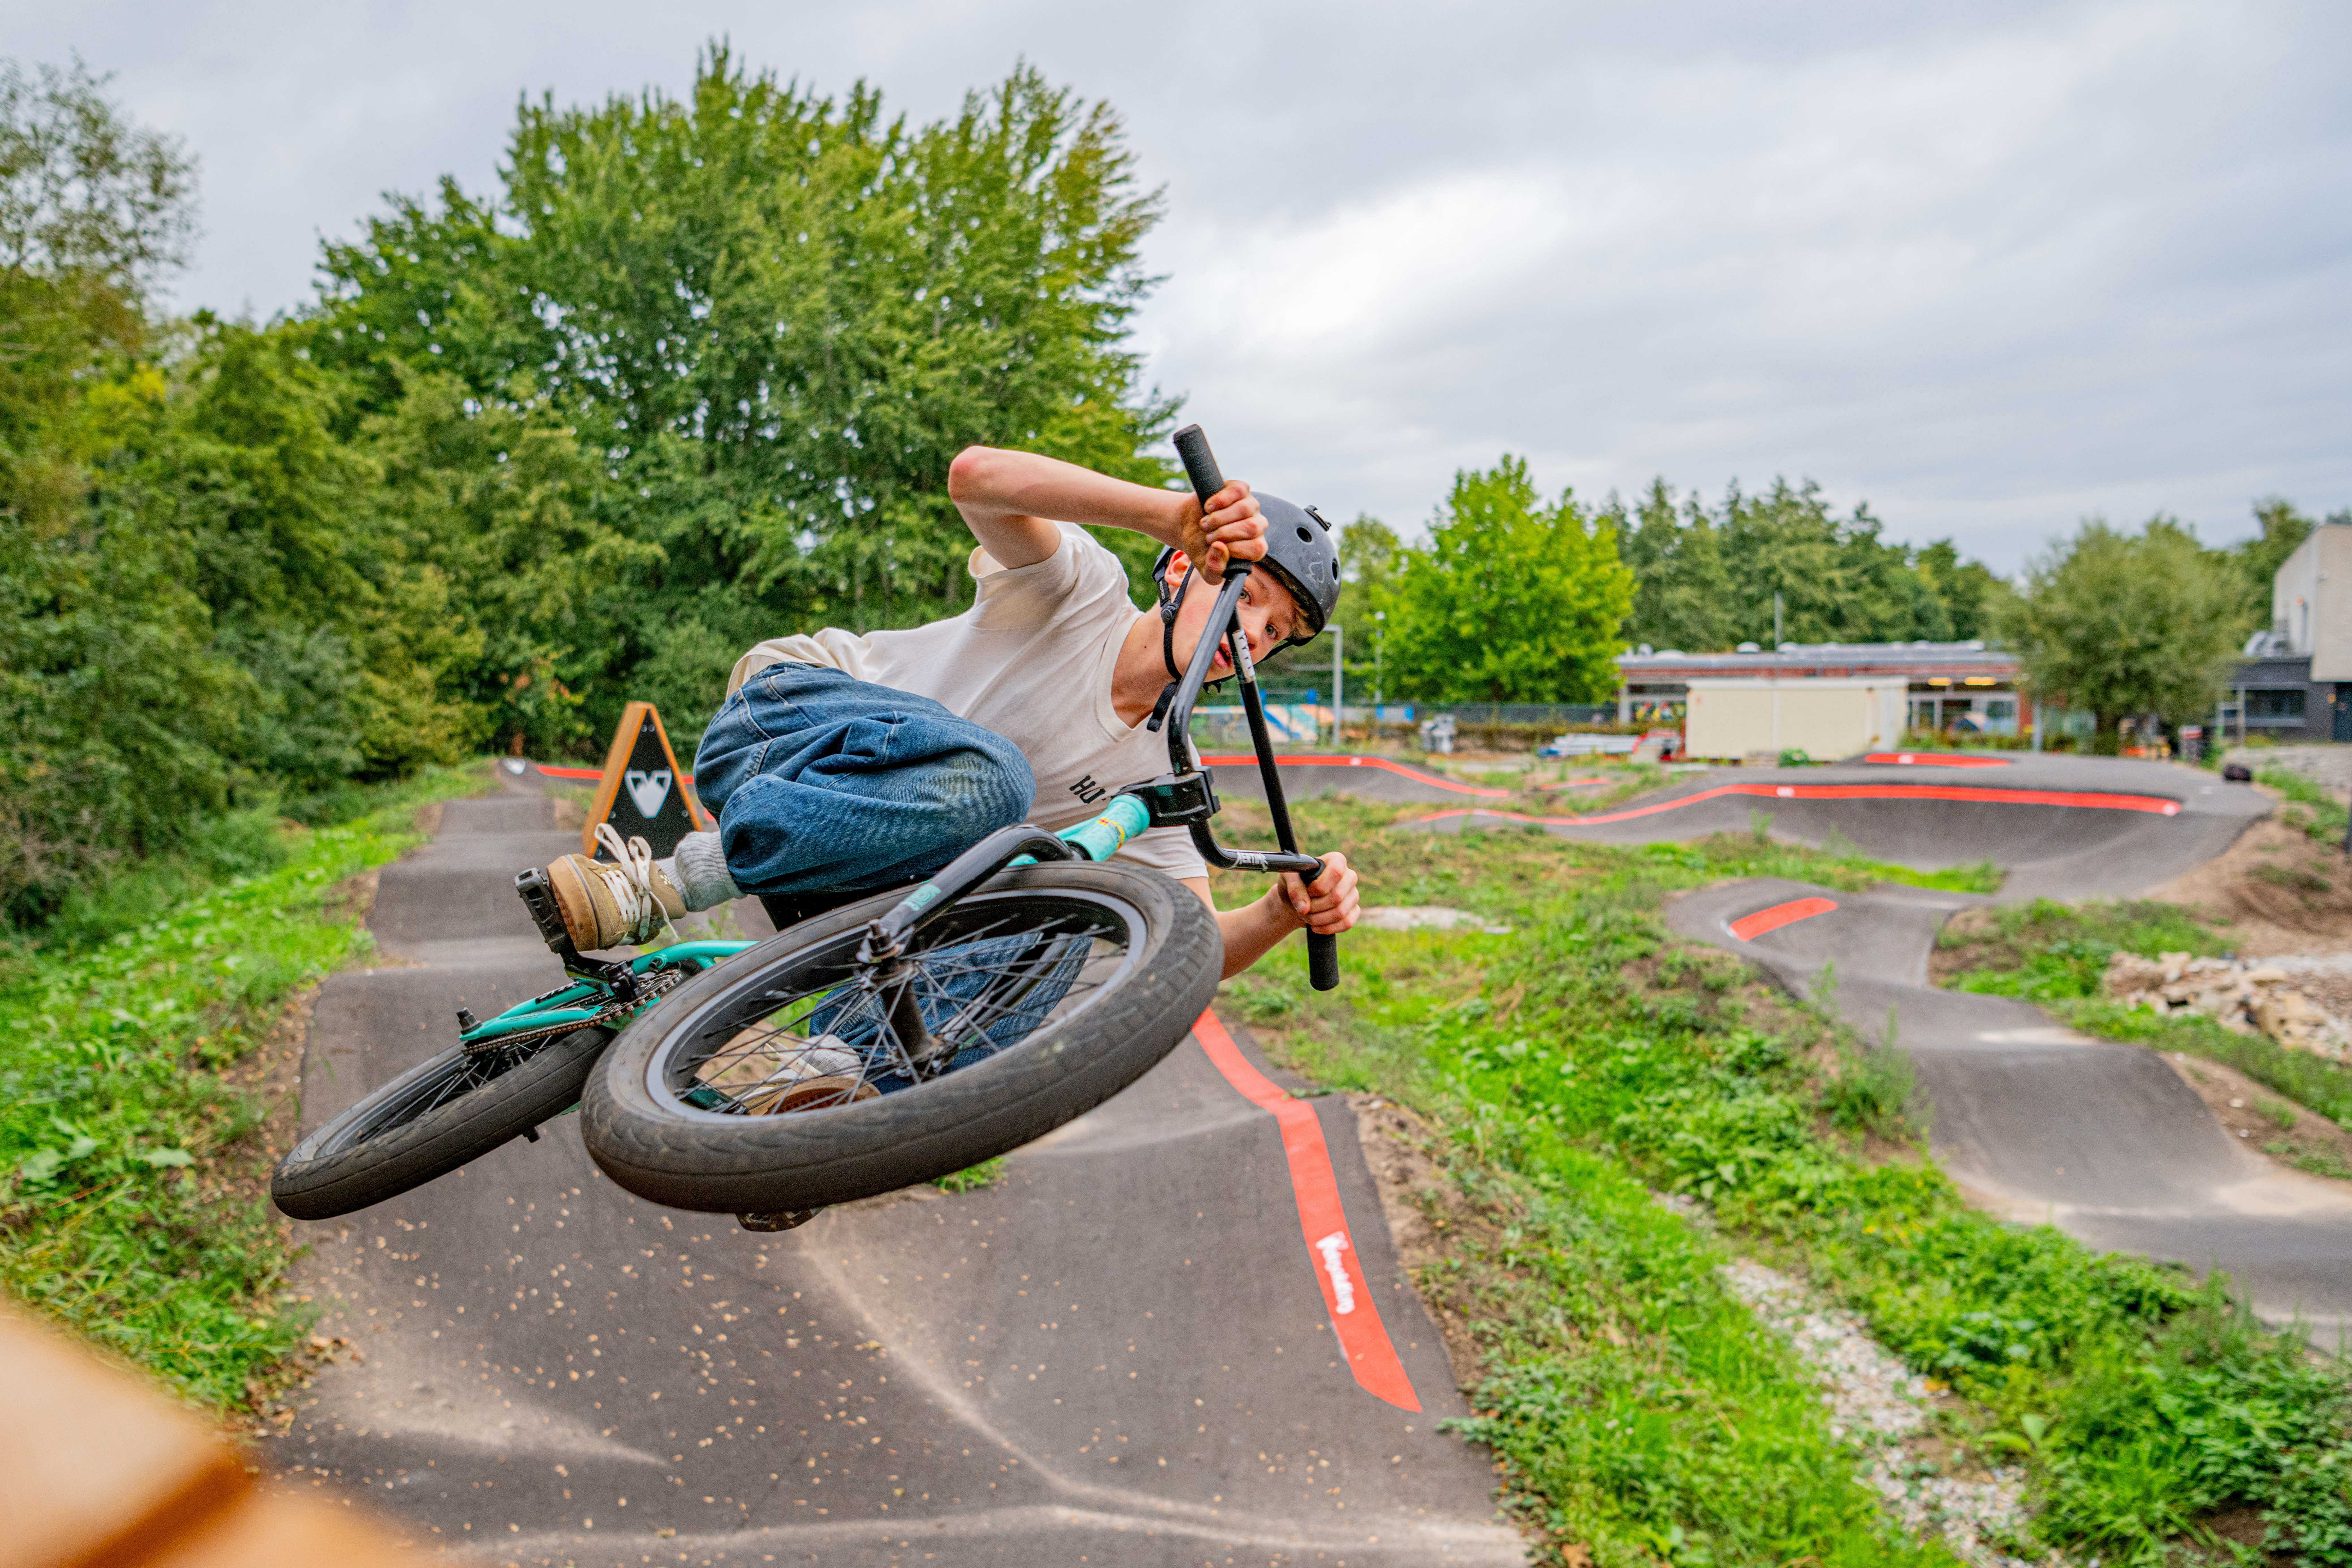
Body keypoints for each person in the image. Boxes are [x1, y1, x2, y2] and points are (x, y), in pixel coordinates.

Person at [534, 446, 1360, 978]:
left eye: (1274, 631)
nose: (1248, 633)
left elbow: (1192, 946)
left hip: (857, 858)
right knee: (998, 787)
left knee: (1057, 925)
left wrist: (1281, 911)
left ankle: (822, 1094)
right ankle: (667, 882)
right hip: (785, 725)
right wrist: (1164, 509)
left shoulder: (1157, 778)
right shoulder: (1081, 588)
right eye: (1243, 596)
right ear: (1183, 569)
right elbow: (976, 478)